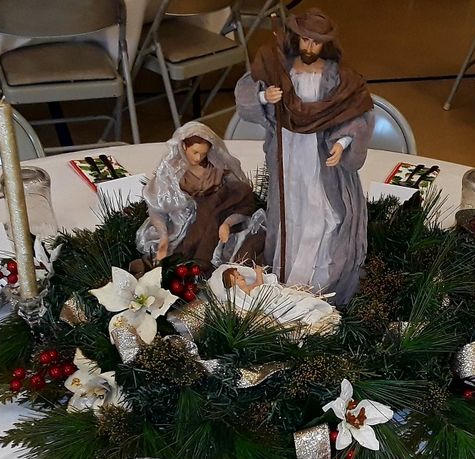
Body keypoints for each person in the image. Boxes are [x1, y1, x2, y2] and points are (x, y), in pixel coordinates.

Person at [234, 8, 374, 305]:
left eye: (316, 42)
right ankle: (286, 272)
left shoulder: (337, 76)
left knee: (323, 212)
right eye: (305, 40)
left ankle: (318, 281)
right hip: (287, 153)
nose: (309, 48)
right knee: (290, 210)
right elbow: (248, 92)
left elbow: (353, 113)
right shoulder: (278, 67)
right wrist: (264, 97)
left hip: (320, 158)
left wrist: (343, 142)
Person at [137, 121, 258, 269]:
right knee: (174, 256)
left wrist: (227, 223)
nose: (198, 158)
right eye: (195, 152)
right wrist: (163, 237)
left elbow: (240, 199)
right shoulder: (171, 173)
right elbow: (157, 208)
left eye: (203, 153)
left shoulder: (217, 170)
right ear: (183, 146)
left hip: (214, 217)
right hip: (180, 223)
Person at [209, 263, 341, 334]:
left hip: (276, 296)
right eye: (237, 278)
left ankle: (308, 306)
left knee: (295, 297)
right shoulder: (241, 295)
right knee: (288, 308)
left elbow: (259, 284)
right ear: (233, 286)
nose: (241, 277)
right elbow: (252, 304)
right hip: (270, 303)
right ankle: (301, 313)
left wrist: (258, 273)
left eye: (239, 274)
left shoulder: (250, 286)